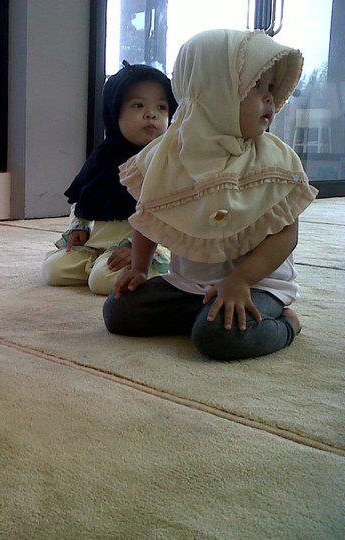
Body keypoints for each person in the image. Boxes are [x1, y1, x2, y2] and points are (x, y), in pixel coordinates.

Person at [104, 29, 318, 361]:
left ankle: (287, 324)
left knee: (218, 339)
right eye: (256, 87)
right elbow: (149, 214)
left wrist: (241, 280)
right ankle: (202, 315)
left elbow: (286, 235)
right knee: (119, 311)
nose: (269, 99)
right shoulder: (166, 156)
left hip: (256, 284)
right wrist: (140, 268)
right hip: (187, 285)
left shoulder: (274, 160)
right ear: (214, 92)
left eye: (271, 88)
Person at [42, 62, 176, 295]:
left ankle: (154, 266)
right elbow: (81, 196)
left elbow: (174, 213)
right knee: (54, 269)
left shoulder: (166, 159)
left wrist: (138, 249)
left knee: (103, 281)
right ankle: (96, 261)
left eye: (161, 107)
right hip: (98, 241)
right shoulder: (102, 157)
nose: (151, 114)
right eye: (138, 105)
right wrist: (79, 226)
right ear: (114, 113)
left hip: (145, 243)